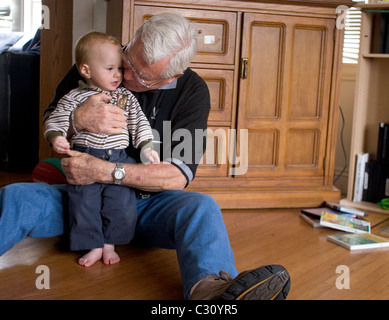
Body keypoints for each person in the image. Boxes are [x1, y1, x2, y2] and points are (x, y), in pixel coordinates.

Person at [0, 13, 290, 300]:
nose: (124, 76)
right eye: (127, 60)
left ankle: (211, 292)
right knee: (17, 197)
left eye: (140, 75)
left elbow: (178, 175)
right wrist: (78, 120)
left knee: (202, 207)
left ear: (171, 76)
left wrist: (104, 171)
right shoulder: (101, 58)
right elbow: (52, 124)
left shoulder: (192, 92)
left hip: (146, 205)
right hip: (83, 199)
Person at [44, 31, 160, 267]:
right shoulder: (74, 97)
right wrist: (56, 136)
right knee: (83, 204)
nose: (118, 74)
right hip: (85, 157)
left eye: (119, 68)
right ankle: (93, 244)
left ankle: (110, 243)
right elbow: (56, 119)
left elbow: (139, 123)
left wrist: (147, 147)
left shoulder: (126, 97)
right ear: (86, 70)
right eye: (110, 69)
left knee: (120, 202)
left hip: (119, 157)